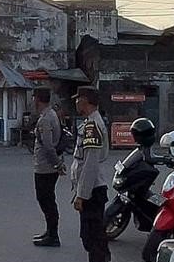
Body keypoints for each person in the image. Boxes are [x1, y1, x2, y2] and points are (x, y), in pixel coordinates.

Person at [71, 86, 110, 262]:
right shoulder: (91, 122)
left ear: (84, 100)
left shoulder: (91, 126)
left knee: (92, 237)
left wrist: (82, 195)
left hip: (92, 191)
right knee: (93, 236)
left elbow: (90, 164)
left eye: (77, 99)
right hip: (92, 189)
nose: (76, 102)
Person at [32, 88, 64, 247]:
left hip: (46, 168)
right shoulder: (50, 115)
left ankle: (53, 235)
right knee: (47, 199)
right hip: (47, 166)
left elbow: (48, 146)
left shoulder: (46, 119)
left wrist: (57, 164)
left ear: (38, 99)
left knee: (46, 200)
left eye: (34, 98)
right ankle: (50, 231)